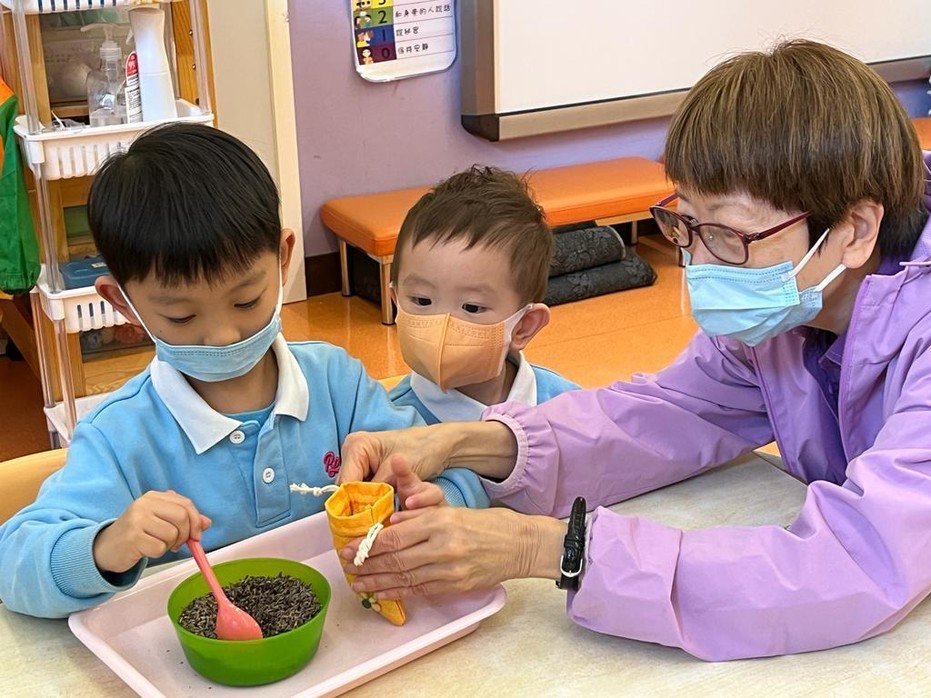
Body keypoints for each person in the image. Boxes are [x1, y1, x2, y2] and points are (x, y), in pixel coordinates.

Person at [335, 40, 931, 661]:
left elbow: (856, 564)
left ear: (855, 230)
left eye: (728, 235)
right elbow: (664, 415)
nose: (698, 263)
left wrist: (548, 548)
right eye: (687, 225)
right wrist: (461, 442)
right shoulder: (789, 314)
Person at [0, 124, 429, 618]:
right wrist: (107, 545)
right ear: (122, 303)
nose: (223, 336)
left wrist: (427, 503)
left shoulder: (337, 383)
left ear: (283, 259)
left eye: (246, 300)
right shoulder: (120, 435)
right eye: (181, 316)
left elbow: (434, 467)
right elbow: (14, 565)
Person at [387, 165, 579, 507]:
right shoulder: (390, 425)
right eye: (421, 301)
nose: (442, 324)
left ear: (524, 326)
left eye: (471, 307)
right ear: (395, 301)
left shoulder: (567, 407)